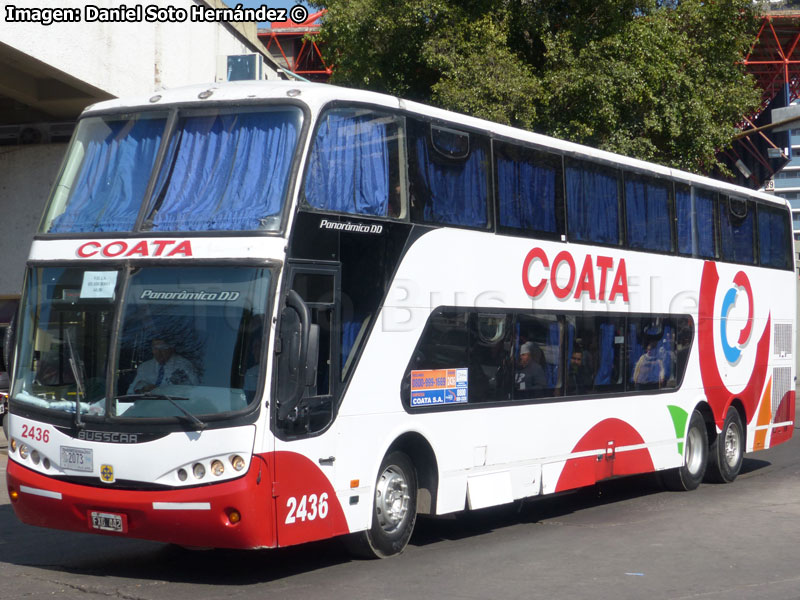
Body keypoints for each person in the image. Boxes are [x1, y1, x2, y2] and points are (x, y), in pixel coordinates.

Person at [127, 337, 198, 394]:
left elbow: (194, 390)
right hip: (147, 407)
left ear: (171, 348)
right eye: (155, 348)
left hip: (176, 407)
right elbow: (131, 392)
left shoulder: (184, 365)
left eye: (162, 348)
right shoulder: (145, 367)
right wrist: (143, 390)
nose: (158, 352)